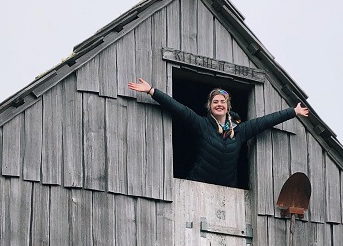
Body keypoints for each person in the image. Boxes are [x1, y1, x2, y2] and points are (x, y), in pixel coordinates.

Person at [128, 79, 309, 187]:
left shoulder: (239, 131)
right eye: (215, 102)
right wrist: (152, 91)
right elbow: (180, 110)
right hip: (197, 185)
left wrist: (293, 112)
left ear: (228, 106)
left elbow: (265, 121)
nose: (219, 104)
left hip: (227, 190)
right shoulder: (202, 125)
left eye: (222, 101)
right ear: (210, 106)